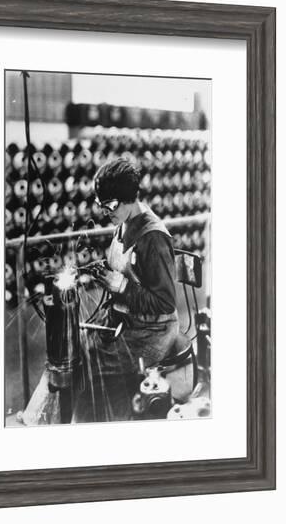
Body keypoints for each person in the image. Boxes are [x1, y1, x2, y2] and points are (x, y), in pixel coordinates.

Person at [72, 157, 194, 423]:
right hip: (127, 321)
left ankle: (112, 426)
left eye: (111, 206)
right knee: (79, 347)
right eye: (101, 205)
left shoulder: (153, 238)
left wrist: (120, 286)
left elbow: (164, 303)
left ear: (129, 198)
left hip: (152, 332)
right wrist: (102, 270)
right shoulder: (123, 223)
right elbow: (129, 269)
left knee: (93, 368)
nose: (106, 212)